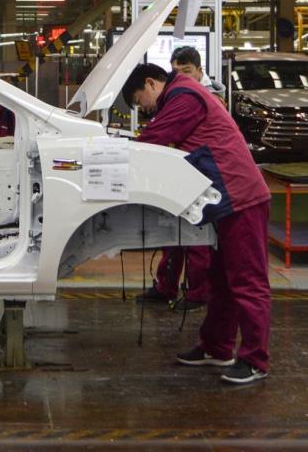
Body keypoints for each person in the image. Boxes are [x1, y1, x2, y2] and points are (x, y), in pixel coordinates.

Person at [122, 63, 271, 385]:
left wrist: (115, 156)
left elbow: (154, 140)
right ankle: (217, 347)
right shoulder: (179, 95)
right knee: (220, 279)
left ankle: (255, 360)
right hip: (224, 201)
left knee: (247, 281)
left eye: (139, 99)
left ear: (151, 83)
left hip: (241, 197)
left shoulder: (184, 96)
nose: (143, 108)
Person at [138, 46, 224, 312]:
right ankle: (167, 286)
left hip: (202, 179)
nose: (182, 76)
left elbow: (161, 136)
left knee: (195, 239)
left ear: (200, 71)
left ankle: (198, 293)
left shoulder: (199, 98)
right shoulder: (177, 96)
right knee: (171, 236)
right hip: (181, 175)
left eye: (187, 71)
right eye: (177, 71)